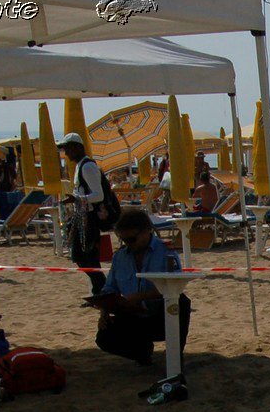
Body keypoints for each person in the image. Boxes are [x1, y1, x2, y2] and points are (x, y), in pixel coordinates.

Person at [92, 208, 190, 367]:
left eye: (131, 239)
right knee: (104, 338)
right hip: (132, 315)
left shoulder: (166, 251)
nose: (128, 244)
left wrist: (139, 297)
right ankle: (142, 353)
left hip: (160, 314)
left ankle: (176, 357)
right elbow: (109, 288)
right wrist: (104, 312)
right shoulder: (120, 256)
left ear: (146, 232)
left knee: (182, 303)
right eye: (124, 240)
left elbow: (175, 286)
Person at [61, 132, 109, 294]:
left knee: (86, 258)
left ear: (77, 148)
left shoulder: (87, 166)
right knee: (83, 258)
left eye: (68, 149)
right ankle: (100, 289)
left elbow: (99, 195)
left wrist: (77, 199)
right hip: (82, 218)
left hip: (89, 219)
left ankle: (102, 289)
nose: (66, 153)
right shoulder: (80, 166)